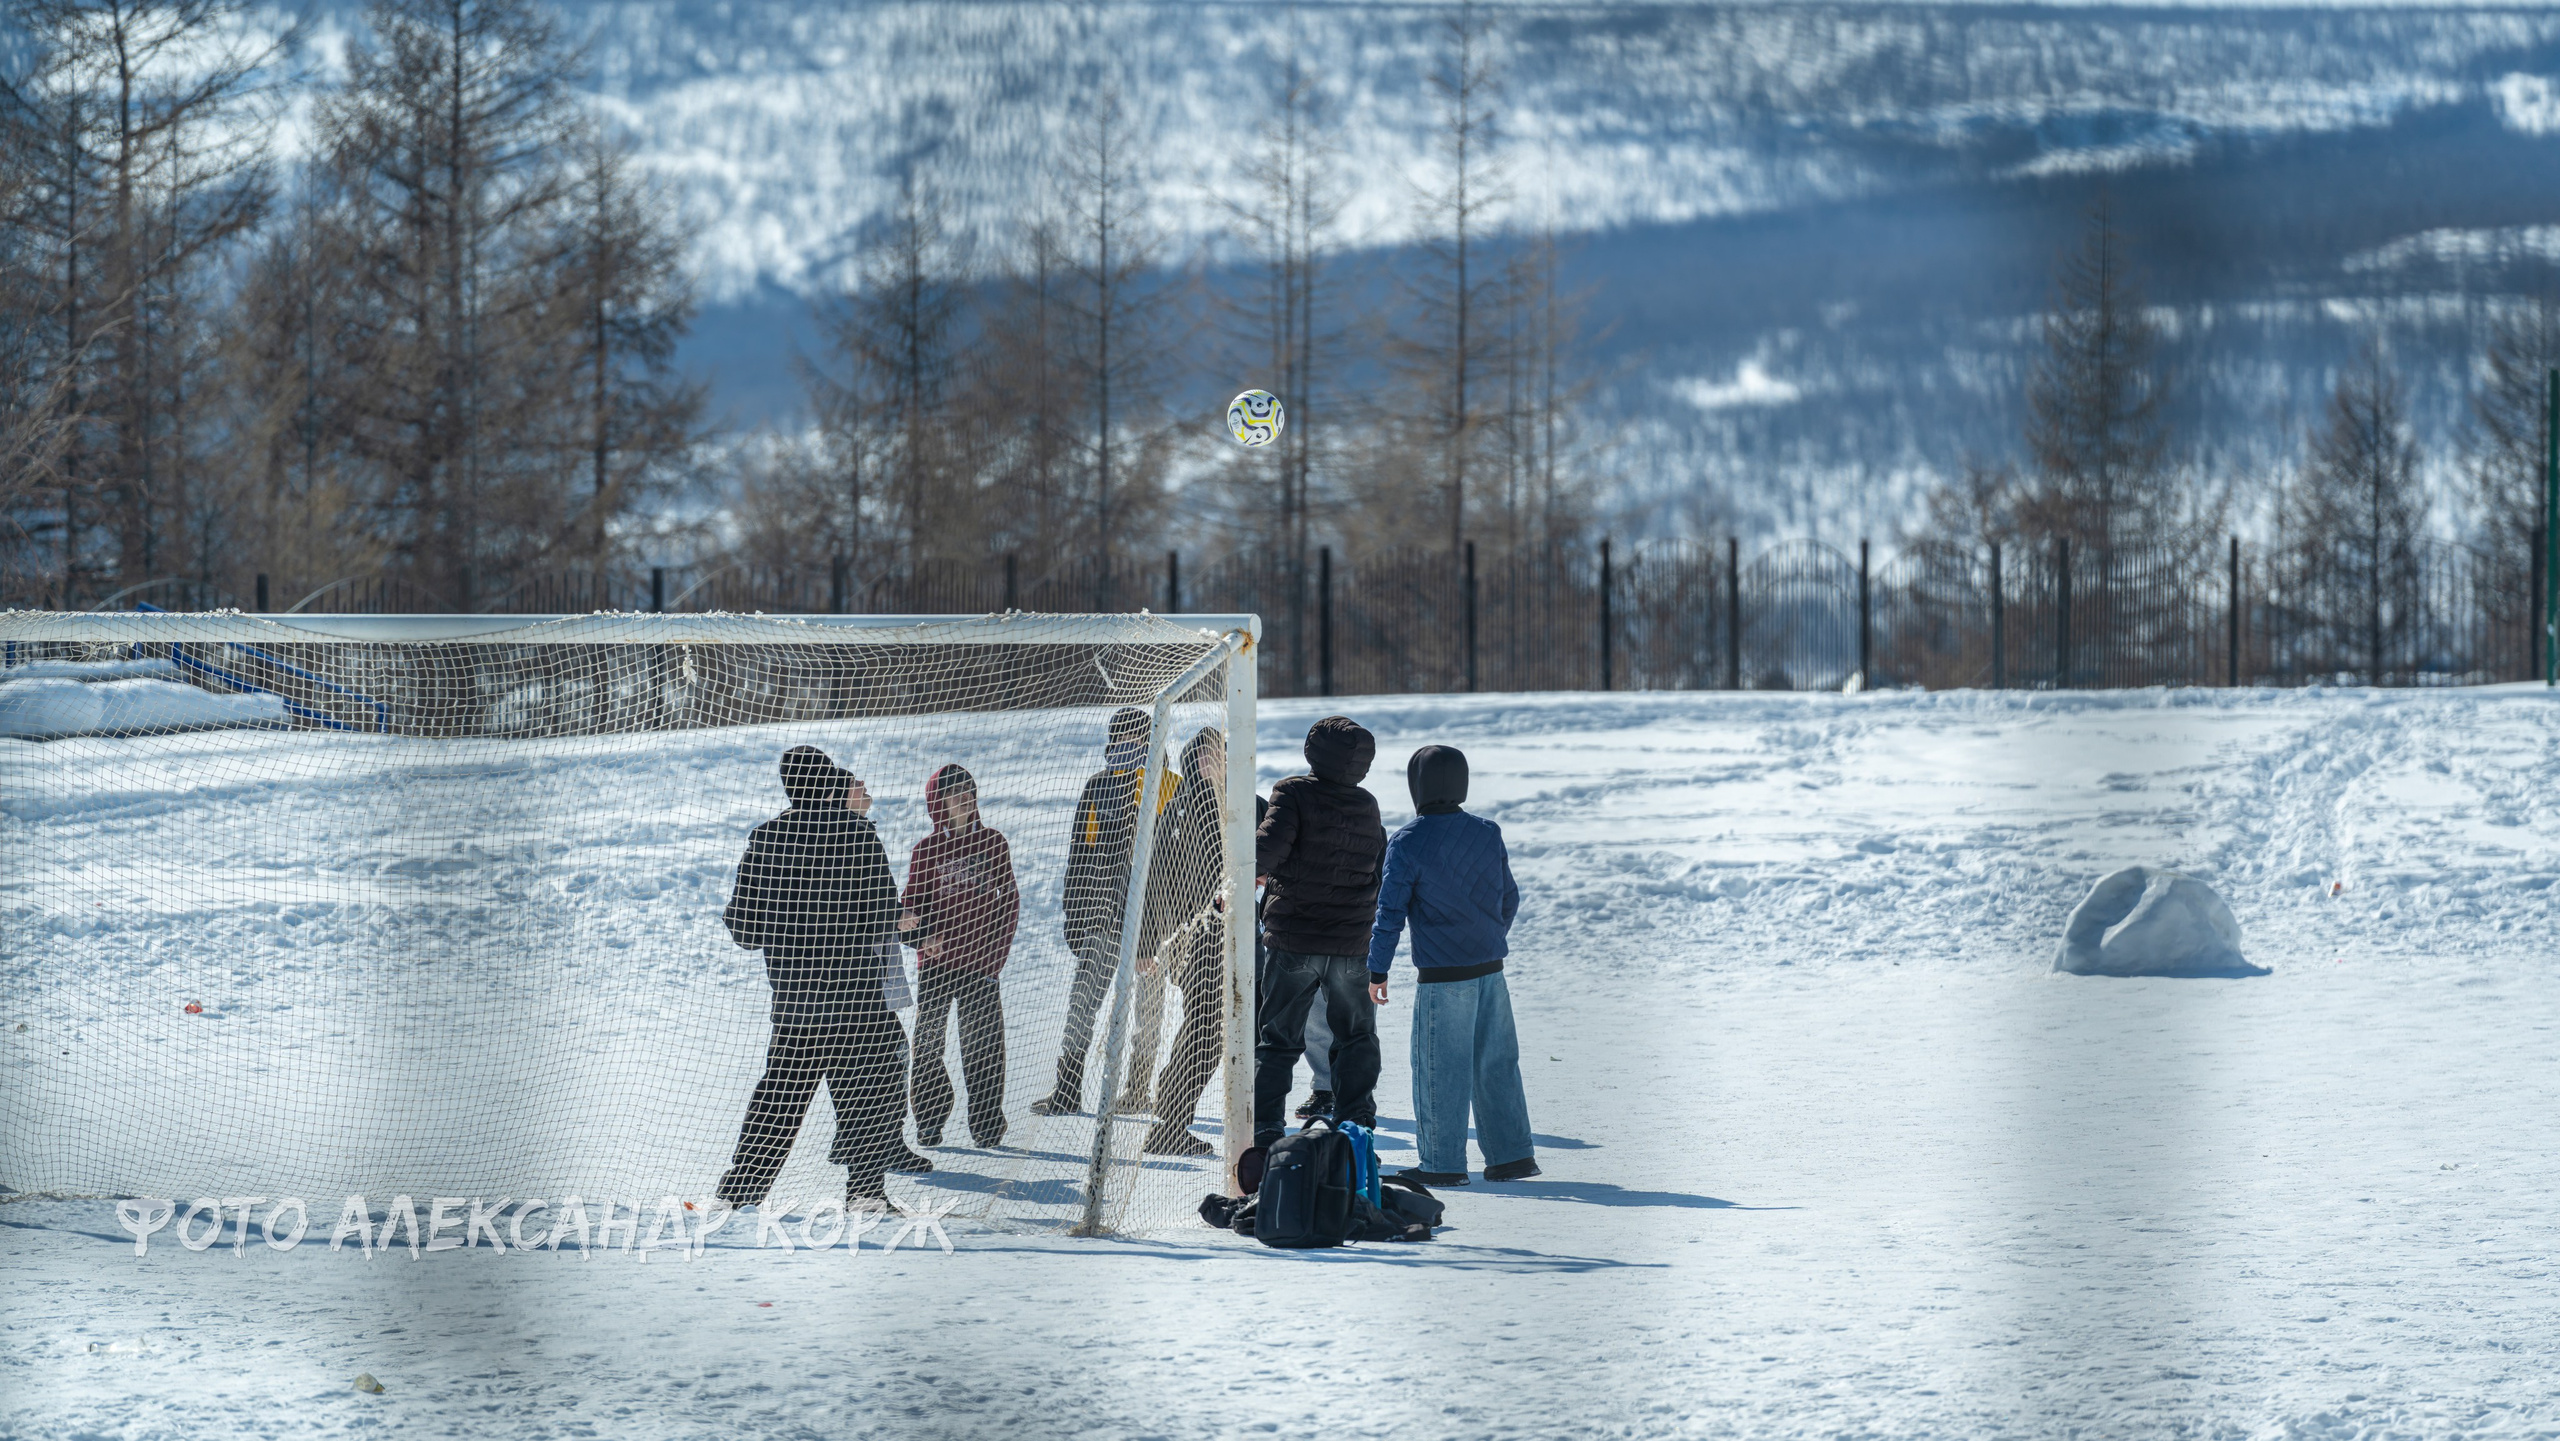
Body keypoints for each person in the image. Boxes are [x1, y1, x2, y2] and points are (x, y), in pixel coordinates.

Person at [716, 745, 934, 1207]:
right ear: (829, 782)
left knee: (780, 1099)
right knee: (870, 1098)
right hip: (857, 997)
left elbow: (743, 929)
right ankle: (865, 1193)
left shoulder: (766, 840)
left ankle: (740, 1192)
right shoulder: (857, 837)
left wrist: (790, 921)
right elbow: (882, 916)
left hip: (799, 1002)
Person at [1367, 744, 1538, 1186]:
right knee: (1496, 1064)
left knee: (1438, 1068)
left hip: (1443, 980)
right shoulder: (1487, 831)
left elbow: (1390, 913)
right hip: (1491, 970)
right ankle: (1512, 1156)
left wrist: (1377, 970)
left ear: (1416, 786)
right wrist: (1490, 937)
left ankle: (1441, 1164)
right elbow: (1510, 896)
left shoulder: (1407, 842)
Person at [1251, 715, 1387, 1147]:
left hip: (1295, 939)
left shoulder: (1292, 792)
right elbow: (1376, 869)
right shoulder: (1368, 804)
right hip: (1351, 945)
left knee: (1277, 1039)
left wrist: (1242, 877)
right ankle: (1358, 1122)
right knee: (1356, 1037)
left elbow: (1265, 850)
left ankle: (1267, 1127)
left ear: (1313, 751)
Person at [1035, 707, 1168, 1115]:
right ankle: (1067, 1087)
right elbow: (1080, 858)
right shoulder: (1098, 787)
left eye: (1136, 741)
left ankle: (1136, 1089)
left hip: (1154, 930)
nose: (1127, 748)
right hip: (1102, 922)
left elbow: (1167, 868)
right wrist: (1075, 918)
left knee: (1147, 1012)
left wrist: (1152, 933)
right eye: (1120, 741)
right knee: (1082, 1007)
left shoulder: (1167, 786)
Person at [902, 763, 1019, 1150]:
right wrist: (922, 938)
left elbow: (1010, 904)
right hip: (936, 967)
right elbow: (908, 909)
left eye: (970, 791)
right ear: (938, 803)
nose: (965, 799)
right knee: (929, 1044)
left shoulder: (994, 843)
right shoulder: (926, 851)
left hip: (981, 967)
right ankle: (930, 1120)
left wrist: (994, 961)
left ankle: (986, 1125)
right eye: (955, 794)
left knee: (982, 1047)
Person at [1131, 727, 1235, 1157]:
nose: (1222, 761)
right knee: (1207, 1034)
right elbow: (1152, 879)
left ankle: (1171, 1118)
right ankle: (1169, 1124)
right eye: (1213, 755)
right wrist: (1145, 943)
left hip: (1211, 942)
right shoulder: (1191, 808)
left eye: (1223, 753)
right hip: (1201, 942)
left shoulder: (1224, 805)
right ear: (1196, 762)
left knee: (1213, 1033)